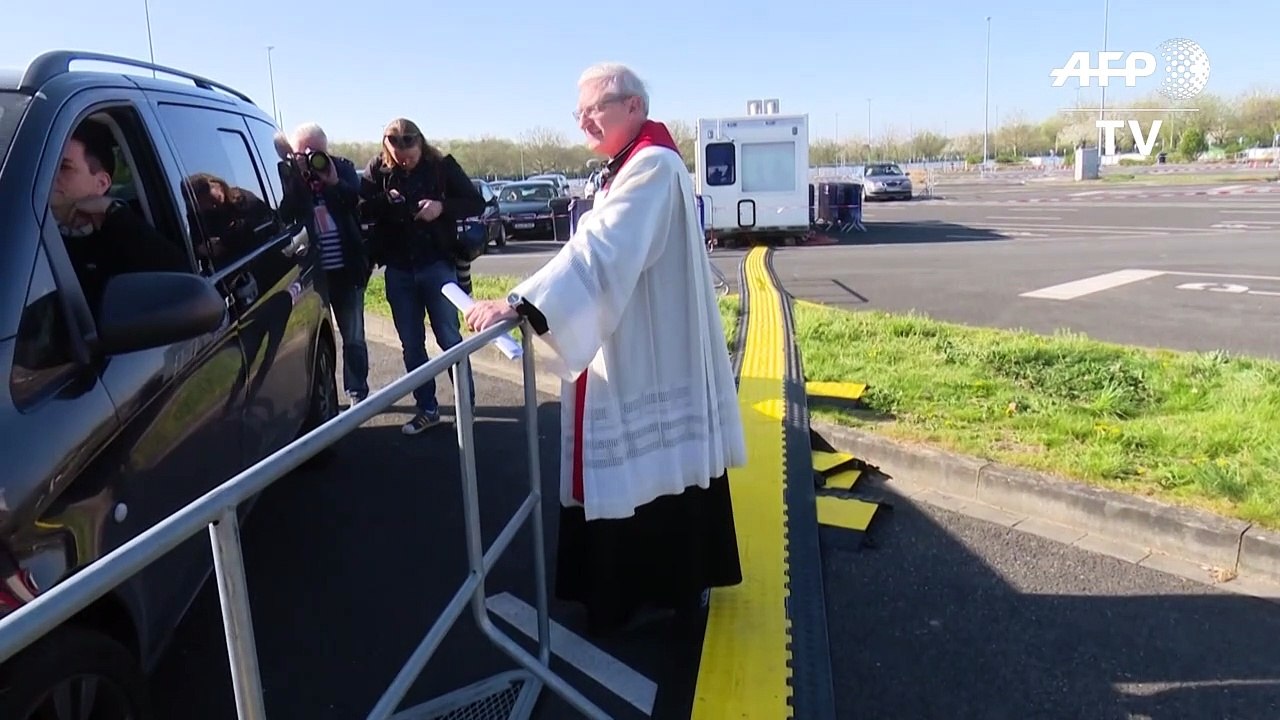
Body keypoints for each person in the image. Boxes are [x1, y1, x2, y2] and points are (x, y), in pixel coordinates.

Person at [465, 62, 746, 636]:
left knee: (647, 464)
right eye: (580, 112)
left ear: (634, 108)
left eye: (596, 108)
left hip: (649, 343)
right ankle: (655, 587)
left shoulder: (652, 165)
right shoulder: (630, 165)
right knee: (658, 465)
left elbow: (600, 250)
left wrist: (520, 304)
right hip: (636, 333)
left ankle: (640, 593)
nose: (585, 120)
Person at [359, 118, 487, 435]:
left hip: (437, 263)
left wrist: (441, 207)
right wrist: (384, 201)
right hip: (399, 267)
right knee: (412, 344)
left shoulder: (441, 165)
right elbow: (361, 210)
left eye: (410, 151)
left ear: (420, 143)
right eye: (397, 152)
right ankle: (427, 408)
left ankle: (465, 407)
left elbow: (476, 201)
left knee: (449, 338)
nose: (404, 158)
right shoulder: (378, 170)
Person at [50, 119, 188, 315]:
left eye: (64, 167)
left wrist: (115, 214)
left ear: (101, 183)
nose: (51, 174)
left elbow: (181, 280)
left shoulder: (122, 237)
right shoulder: (21, 226)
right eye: (47, 164)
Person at [285, 123, 371, 406]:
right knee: (314, 341)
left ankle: (357, 394)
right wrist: (296, 177)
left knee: (353, 337)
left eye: (316, 151)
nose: (310, 157)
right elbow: (285, 212)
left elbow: (357, 203)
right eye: (303, 152)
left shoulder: (342, 170)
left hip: (347, 271)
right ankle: (324, 397)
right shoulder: (289, 177)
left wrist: (333, 181)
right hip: (313, 275)